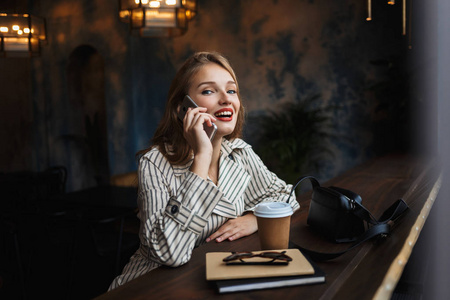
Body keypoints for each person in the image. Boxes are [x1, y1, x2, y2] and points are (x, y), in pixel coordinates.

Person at [108, 51, 299, 290]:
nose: (226, 99)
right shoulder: (154, 162)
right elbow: (170, 254)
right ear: (183, 109)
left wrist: (255, 219)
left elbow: (287, 195)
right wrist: (202, 156)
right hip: (155, 285)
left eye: (231, 90)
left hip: (214, 277)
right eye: (209, 91)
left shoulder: (239, 153)